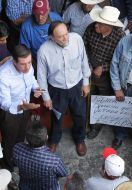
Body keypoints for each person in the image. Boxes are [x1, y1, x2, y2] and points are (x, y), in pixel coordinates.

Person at [37, 21, 91, 156]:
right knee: (57, 116)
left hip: (76, 85)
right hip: (57, 89)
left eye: (66, 33)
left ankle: (80, 139)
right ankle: (54, 139)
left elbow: (84, 61)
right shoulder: (44, 50)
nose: (65, 38)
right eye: (60, 36)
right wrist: (46, 97)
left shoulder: (77, 39)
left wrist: (85, 82)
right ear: (52, 37)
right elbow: (41, 76)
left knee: (80, 114)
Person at [83, 6, 125, 139]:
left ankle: (96, 126)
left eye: (100, 24)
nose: (96, 25)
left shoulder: (120, 37)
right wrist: (87, 64)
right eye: (96, 21)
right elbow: (83, 46)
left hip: (107, 75)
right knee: (86, 97)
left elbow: (119, 60)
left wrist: (103, 67)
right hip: (89, 70)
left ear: (109, 26)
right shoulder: (91, 28)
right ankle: (85, 123)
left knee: (102, 100)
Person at [0, 45, 42, 172]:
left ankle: (17, 158)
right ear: (14, 62)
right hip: (10, 113)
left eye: (29, 62)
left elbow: (32, 79)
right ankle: (8, 166)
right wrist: (21, 106)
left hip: (25, 108)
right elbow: (4, 103)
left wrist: (36, 88)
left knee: (21, 134)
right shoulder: (3, 75)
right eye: (23, 64)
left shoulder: (28, 66)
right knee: (9, 139)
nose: (28, 67)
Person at [12, 122, 70, 190]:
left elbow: (15, 162)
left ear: (26, 138)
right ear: (47, 138)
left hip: (25, 185)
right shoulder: (55, 161)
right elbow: (64, 173)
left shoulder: (17, 148)